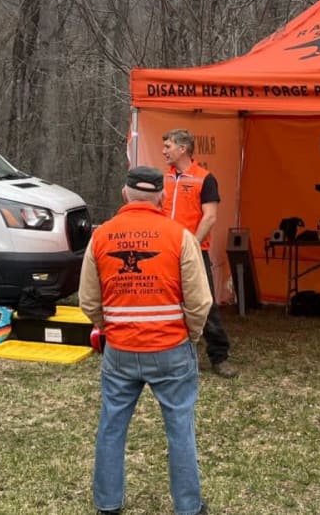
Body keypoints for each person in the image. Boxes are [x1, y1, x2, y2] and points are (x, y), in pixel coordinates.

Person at [79, 166, 213, 515]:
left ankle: (108, 503)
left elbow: (88, 301)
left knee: (112, 426)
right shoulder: (180, 236)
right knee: (180, 429)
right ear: (162, 197)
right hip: (172, 349)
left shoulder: (101, 237)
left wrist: (109, 327)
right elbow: (200, 301)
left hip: (120, 350)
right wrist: (190, 335)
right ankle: (188, 506)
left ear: (125, 194)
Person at [161, 128, 235, 378]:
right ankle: (171, 353)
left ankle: (219, 356)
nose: (164, 151)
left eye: (168, 146)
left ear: (183, 149)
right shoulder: (164, 178)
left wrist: (191, 245)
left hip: (194, 252)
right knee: (168, 303)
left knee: (205, 304)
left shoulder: (205, 178)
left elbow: (210, 217)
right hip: (165, 252)